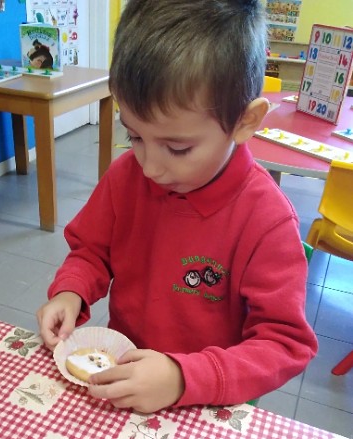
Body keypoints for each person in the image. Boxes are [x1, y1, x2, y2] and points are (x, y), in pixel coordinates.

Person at [37, 0, 318, 413]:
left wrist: (184, 377)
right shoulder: (126, 177)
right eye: (134, 136)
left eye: (178, 148)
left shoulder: (266, 219)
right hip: (123, 383)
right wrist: (70, 290)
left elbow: (284, 344)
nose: (150, 167)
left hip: (204, 404)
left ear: (245, 122)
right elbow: (92, 251)